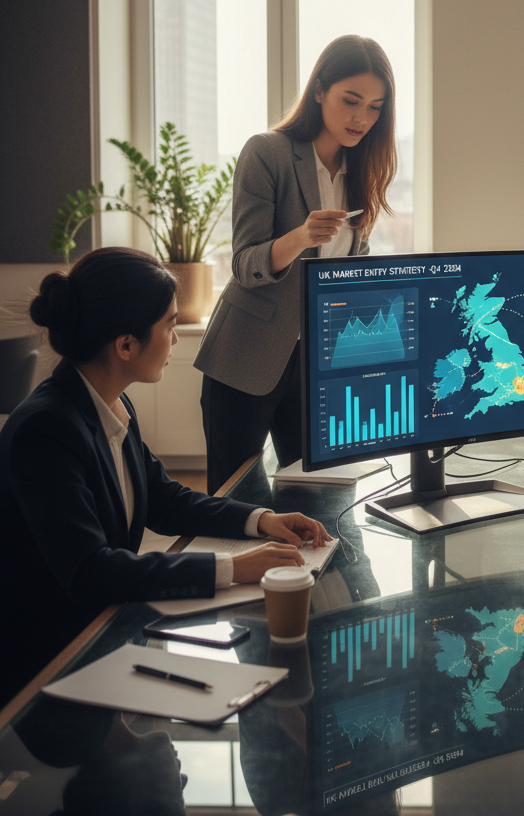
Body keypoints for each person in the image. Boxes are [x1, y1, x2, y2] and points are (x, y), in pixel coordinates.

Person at [0, 248, 332, 707]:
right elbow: (92, 571)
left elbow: (162, 497)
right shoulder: (47, 430)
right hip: (49, 669)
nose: (176, 340)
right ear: (125, 345)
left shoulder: (110, 400)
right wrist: (235, 568)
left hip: (102, 638)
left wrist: (259, 519)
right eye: (170, 325)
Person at [195, 34, 398, 493]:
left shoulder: (362, 169)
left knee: (323, 497)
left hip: (317, 366)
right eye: (351, 100)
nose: (361, 117)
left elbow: (349, 266)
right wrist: (302, 236)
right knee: (240, 504)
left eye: (374, 106)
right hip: (247, 356)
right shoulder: (267, 152)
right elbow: (245, 264)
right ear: (319, 90)